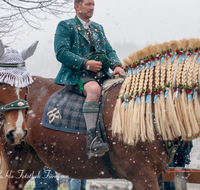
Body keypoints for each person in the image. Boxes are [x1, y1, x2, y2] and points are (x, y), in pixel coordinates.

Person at [54, 0, 125, 157]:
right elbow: (61, 53)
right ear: (77, 6)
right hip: (76, 74)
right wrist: (85, 64)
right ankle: (92, 140)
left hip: (101, 74)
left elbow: (109, 50)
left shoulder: (98, 28)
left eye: (93, 5)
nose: (92, 8)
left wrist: (117, 66)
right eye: (88, 4)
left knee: (123, 87)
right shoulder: (65, 25)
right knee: (94, 90)